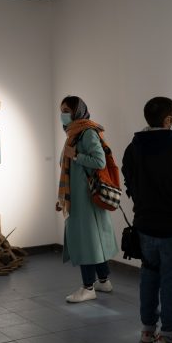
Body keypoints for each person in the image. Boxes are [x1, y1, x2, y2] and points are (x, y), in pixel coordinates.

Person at [122, 96, 172, 343]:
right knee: (170, 281)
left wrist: (143, 205)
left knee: (148, 278)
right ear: (168, 119)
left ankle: (147, 332)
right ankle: (169, 335)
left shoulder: (133, 149)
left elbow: (129, 182)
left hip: (145, 225)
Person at [56, 95, 119, 303]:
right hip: (79, 197)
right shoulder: (74, 133)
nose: (63, 115)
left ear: (77, 111)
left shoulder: (87, 132)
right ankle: (103, 281)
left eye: (67, 111)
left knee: (86, 242)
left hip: (86, 198)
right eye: (62, 111)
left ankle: (88, 287)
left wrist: (75, 155)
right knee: (93, 240)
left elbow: (99, 162)